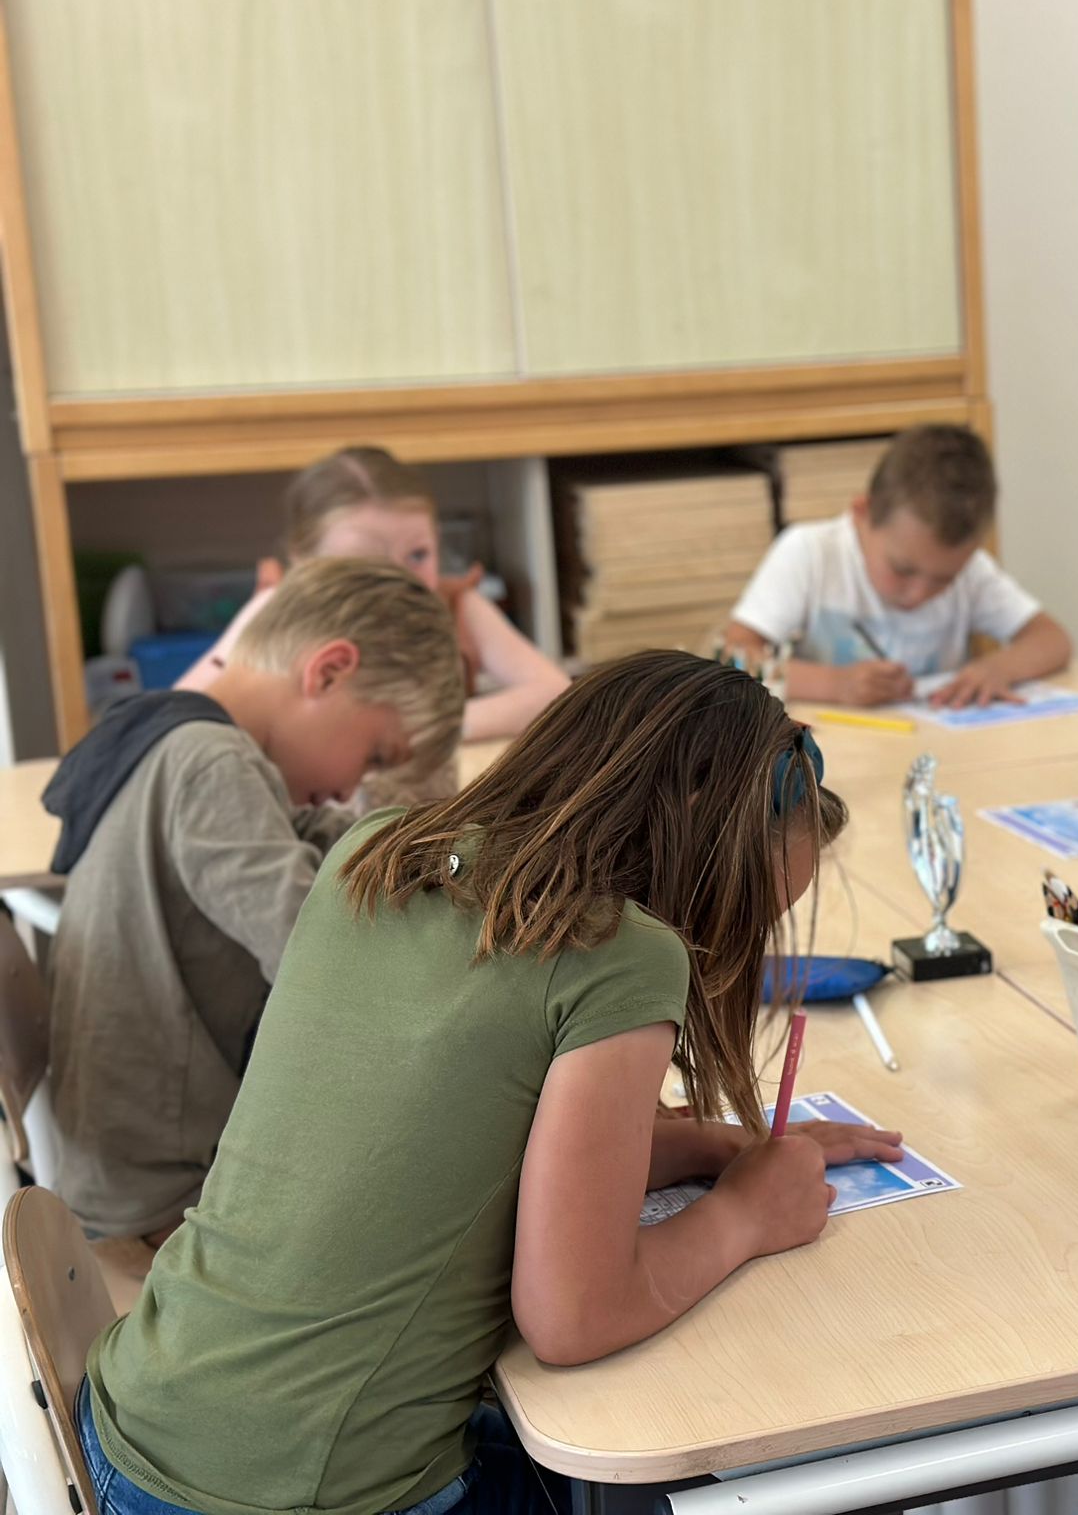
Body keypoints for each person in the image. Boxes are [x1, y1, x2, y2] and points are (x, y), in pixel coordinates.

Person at [79, 650, 902, 1515]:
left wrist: (702, 1143)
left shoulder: (377, 853)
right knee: (684, 1482)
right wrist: (745, 1215)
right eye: (741, 910)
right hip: (299, 1493)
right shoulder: (621, 954)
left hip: (139, 1422)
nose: (729, 945)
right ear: (691, 847)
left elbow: (460, 1124)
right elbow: (574, 1317)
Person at [42, 559, 464, 1240]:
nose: (353, 784)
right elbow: (321, 959)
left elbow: (327, 841)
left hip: (143, 1165)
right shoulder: (212, 763)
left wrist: (437, 851)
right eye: (377, 756)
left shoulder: (177, 734)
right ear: (327, 672)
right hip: (164, 1200)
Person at [176, 446, 569, 740]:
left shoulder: (454, 606)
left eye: (418, 554)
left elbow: (554, 693)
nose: (399, 581)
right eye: (364, 563)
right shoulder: (277, 613)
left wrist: (418, 731)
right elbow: (183, 714)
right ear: (303, 563)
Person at [726, 424, 1072, 707]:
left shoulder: (972, 571)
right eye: (902, 569)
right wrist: (835, 684)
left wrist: (999, 668)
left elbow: (1053, 639)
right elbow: (734, 657)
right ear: (863, 513)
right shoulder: (811, 553)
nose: (919, 594)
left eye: (944, 580)